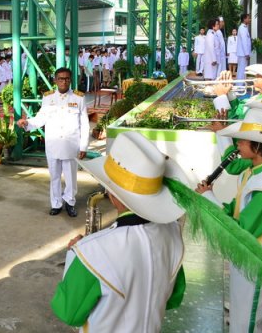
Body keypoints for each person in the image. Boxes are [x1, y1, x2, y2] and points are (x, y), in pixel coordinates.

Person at [51, 132, 186, 331]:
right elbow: (174, 298)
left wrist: (75, 254)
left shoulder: (92, 252)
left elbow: (68, 313)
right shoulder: (174, 236)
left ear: (112, 193)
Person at [197, 108, 262, 333]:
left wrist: (208, 197)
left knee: (248, 326)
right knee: (241, 320)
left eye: (242, 141)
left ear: (258, 147)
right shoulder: (255, 172)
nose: (238, 145)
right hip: (247, 261)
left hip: (257, 268)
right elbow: (236, 213)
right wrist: (212, 199)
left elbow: (242, 230)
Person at [16, 68, 89, 217]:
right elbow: (41, 117)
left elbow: (85, 123)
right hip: (53, 143)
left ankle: (70, 202)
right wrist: (27, 123)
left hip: (70, 144)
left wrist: (83, 145)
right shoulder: (48, 98)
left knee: (71, 177)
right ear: (55, 80)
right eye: (60, 79)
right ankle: (56, 204)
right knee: (54, 176)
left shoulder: (78, 98)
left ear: (70, 80)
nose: (64, 81)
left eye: (67, 79)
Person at [236, 13, 252, 81]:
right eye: (248, 18)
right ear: (244, 19)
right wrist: (246, 53)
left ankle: (241, 85)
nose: (249, 20)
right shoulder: (242, 28)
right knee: (241, 70)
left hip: (243, 53)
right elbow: (244, 42)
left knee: (243, 70)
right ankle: (239, 85)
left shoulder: (244, 28)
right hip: (243, 53)